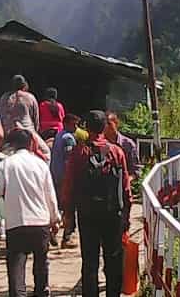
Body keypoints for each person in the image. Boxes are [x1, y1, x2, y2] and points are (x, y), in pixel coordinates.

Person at [61, 111, 132, 297]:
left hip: (87, 214)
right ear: (104, 127)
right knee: (114, 260)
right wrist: (126, 216)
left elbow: (68, 186)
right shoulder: (116, 152)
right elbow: (126, 187)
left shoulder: (79, 153)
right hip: (112, 214)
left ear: (86, 128)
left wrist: (68, 214)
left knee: (90, 262)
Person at [0, 129, 61, 297]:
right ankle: (41, 292)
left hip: (16, 223)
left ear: (13, 145)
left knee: (16, 266)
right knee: (41, 264)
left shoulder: (6, 165)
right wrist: (55, 219)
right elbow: (50, 195)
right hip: (40, 222)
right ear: (30, 144)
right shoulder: (41, 165)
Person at [50, 112, 80, 247]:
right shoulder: (68, 138)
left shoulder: (58, 135)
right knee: (69, 208)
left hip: (56, 175)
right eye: (74, 124)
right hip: (65, 178)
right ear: (66, 124)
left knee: (59, 206)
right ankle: (67, 237)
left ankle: (52, 231)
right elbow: (69, 160)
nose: (76, 127)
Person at [105, 112, 141, 183]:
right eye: (104, 124)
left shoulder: (128, 144)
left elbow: (136, 170)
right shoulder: (101, 144)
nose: (106, 127)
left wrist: (127, 180)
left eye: (109, 124)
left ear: (116, 124)